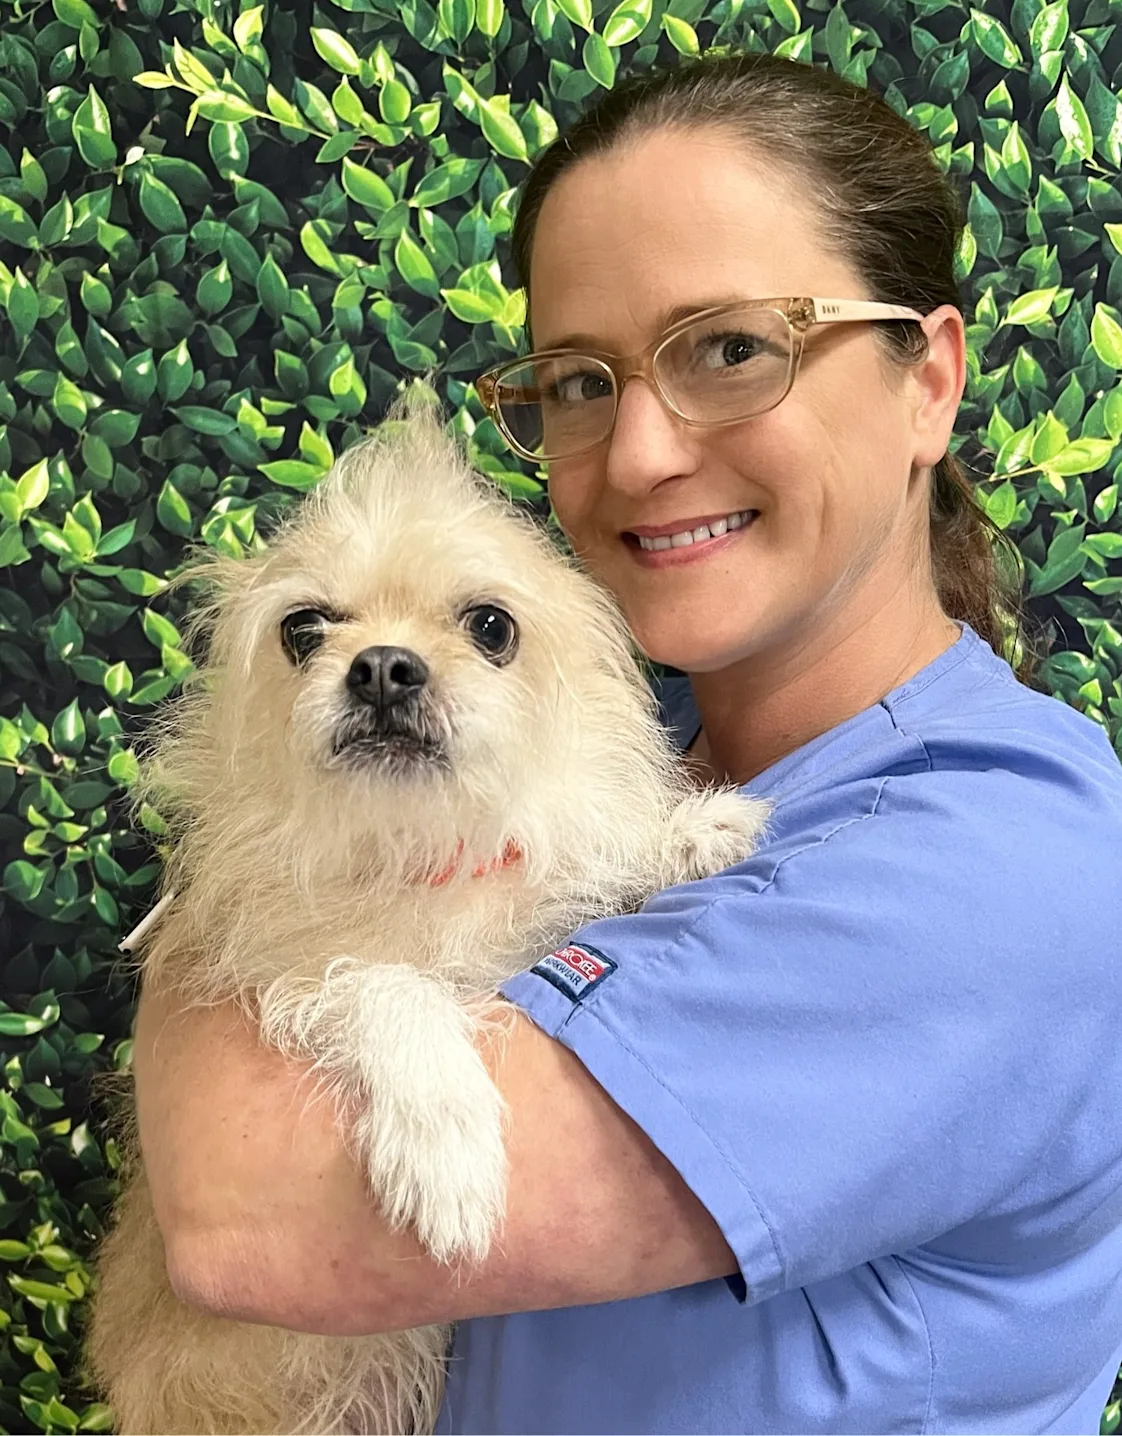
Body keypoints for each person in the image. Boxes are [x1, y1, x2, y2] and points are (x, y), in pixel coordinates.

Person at [131, 52, 1122, 1435]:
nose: (640, 451)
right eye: (579, 381)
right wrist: (249, 879)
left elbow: (253, 1222)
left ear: (928, 381)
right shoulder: (605, 746)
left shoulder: (1005, 860)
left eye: (731, 347)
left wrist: (245, 895)